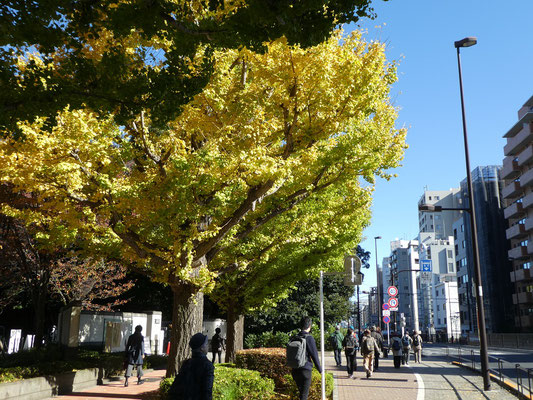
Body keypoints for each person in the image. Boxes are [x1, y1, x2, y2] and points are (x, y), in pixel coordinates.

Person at [168, 332, 214, 400]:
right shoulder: (208, 365)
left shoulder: (186, 363)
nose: (208, 346)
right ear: (201, 348)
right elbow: (207, 391)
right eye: (207, 344)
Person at [290, 317, 322, 400]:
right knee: (304, 396)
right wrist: (320, 369)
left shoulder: (295, 337)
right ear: (310, 326)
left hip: (295, 369)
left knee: (301, 394)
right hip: (305, 369)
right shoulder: (309, 338)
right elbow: (314, 355)